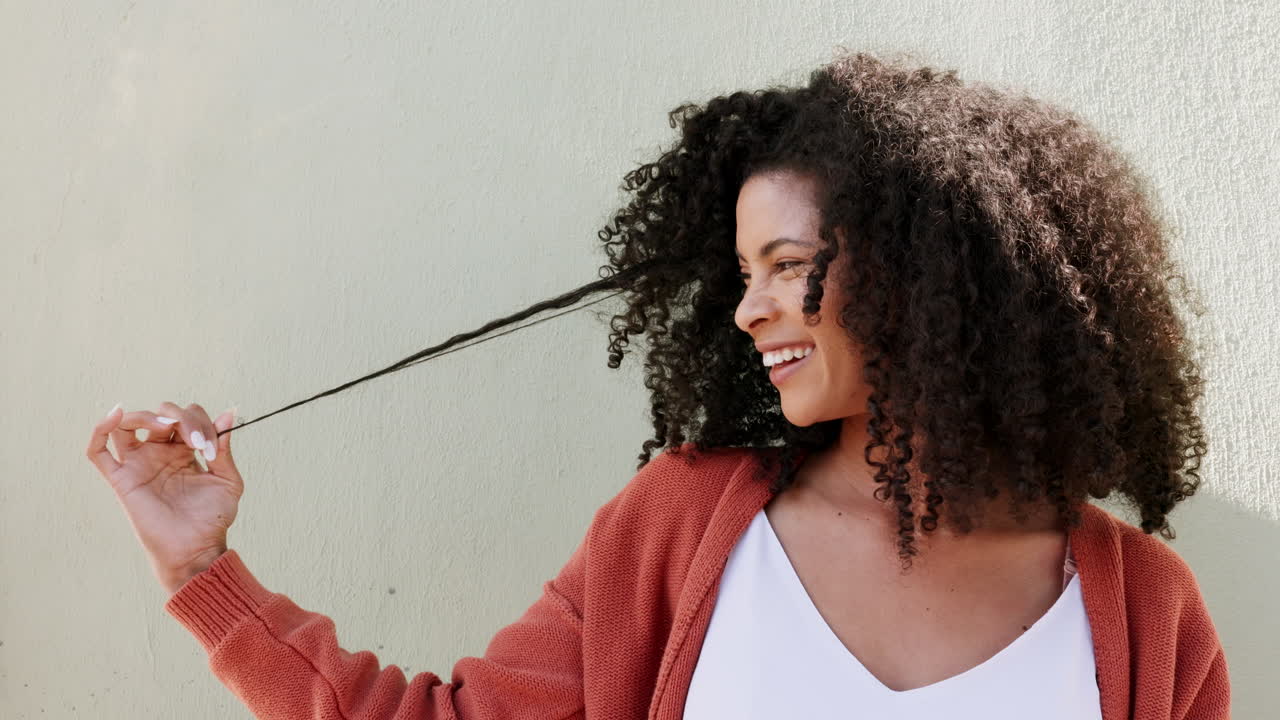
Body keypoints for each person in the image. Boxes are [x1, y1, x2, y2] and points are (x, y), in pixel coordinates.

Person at [85, 51, 1229, 719]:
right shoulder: (685, 525)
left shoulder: (1143, 612)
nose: (747, 310)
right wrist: (202, 572)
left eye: (786, 266)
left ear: (931, 276)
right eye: (741, 273)